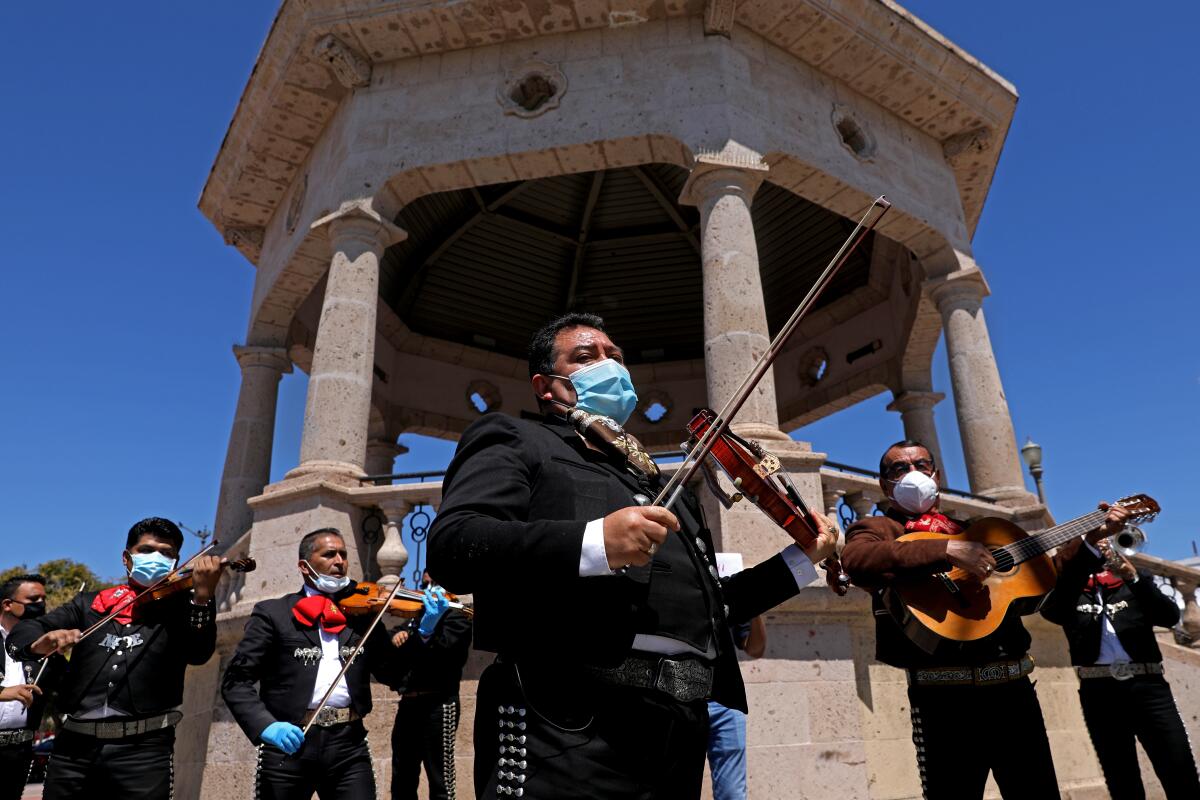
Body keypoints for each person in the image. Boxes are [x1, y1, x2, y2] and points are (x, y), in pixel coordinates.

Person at [427, 312, 838, 799]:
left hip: (678, 730)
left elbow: (710, 608)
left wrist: (800, 558)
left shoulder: (667, 488)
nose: (609, 365)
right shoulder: (517, 438)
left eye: (614, 356)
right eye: (586, 357)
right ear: (545, 385)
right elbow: (455, 544)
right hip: (565, 722)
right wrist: (594, 542)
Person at [840, 440, 1130, 800]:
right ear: (885, 485)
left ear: (936, 473)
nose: (912, 473)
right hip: (942, 703)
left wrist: (1088, 542)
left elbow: (1045, 584)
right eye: (899, 469)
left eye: (921, 465)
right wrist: (945, 549)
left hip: (1014, 694)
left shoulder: (976, 528)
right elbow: (856, 560)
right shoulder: (880, 528)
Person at [6, 517, 222, 800]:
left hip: (144, 751)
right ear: (126, 557)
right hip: (74, 747)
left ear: (177, 561)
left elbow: (199, 653)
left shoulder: (185, 605)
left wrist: (203, 598)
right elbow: (24, 631)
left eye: (166, 553)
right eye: (146, 550)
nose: (156, 558)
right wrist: (38, 643)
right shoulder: (89, 604)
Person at [222, 527, 406, 800]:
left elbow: (394, 673)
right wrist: (267, 726)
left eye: (343, 554)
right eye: (329, 554)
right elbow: (236, 680)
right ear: (304, 566)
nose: (340, 561)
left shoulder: (363, 614)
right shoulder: (274, 614)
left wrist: (423, 633)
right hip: (290, 744)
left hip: (349, 744)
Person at [1041, 538, 1200, 799]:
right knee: (1120, 778)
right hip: (1099, 691)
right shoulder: (1068, 590)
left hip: (1149, 688)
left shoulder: (1134, 582)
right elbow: (1054, 612)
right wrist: (1076, 565)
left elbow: (1169, 616)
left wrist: (1133, 577)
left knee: (1179, 769)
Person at [389, 571, 472, 800]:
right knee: (402, 777)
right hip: (409, 705)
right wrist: (406, 635)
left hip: (438, 704)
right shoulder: (416, 617)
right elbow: (396, 637)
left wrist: (424, 635)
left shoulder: (457, 617)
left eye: (434, 582)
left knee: (441, 780)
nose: (428, 588)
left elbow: (445, 655)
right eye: (425, 583)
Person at [0, 574, 65, 800]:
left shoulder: (42, 644)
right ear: (8, 605)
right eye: (33, 599)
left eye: (43, 599)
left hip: (19, 750)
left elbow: (68, 687)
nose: (41, 605)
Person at [705, 616, 765, 800]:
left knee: (733, 795)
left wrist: (756, 612)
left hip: (725, 703)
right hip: (679, 698)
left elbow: (754, 648)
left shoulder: (730, 586)